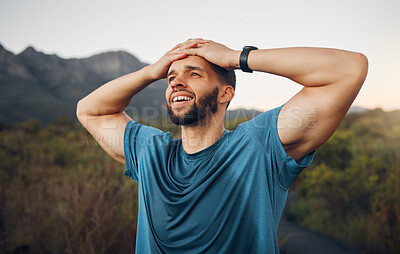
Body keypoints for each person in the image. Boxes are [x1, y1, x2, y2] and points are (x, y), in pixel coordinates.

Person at [76, 38, 368, 253]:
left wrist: (234, 57)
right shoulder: (150, 152)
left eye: (194, 74)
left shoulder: (259, 145)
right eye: (171, 78)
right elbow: (89, 110)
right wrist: (151, 71)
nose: (176, 82)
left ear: (225, 93)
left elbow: (349, 68)